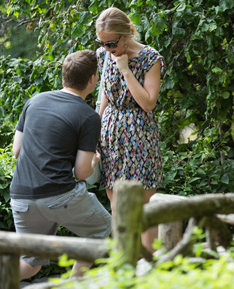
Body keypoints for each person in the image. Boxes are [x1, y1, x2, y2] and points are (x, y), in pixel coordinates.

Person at [0, 50, 112, 289]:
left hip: (21, 197)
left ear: (64, 75)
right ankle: (75, 283)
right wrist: (93, 162)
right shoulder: (89, 117)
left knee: (31, 263)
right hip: (60, 195)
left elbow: (16, 150)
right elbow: (82, 173)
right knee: (102, 227)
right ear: (94, 79)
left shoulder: (34, 101)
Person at [95, 7, 164, 253]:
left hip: (141, 135)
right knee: (117, 208)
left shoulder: (150, 58)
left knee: (145, 207)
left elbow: (148, 102)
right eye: (101, 43)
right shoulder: (103, 56)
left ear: (126, 35)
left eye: (111, 43)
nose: (107, 49)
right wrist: (94, 129)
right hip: (111, 136)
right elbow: (103, 95)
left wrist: (125, 69)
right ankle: (124, 268)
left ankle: (149, 269)